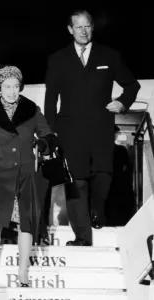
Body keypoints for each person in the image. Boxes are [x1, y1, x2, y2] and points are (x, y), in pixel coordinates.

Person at [44, 9, 140, 246]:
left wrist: (122, 102)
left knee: (102, 174)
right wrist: (52, 130)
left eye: (87, 26)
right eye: (79, 27)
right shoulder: (57, 59)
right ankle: (82, 236)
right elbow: (50, 100)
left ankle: (98, 208)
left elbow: (132, 86)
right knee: (76, 182)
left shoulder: (110, 56)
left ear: (92, 27)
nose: (84, 31)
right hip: (70, 131)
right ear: (70, 29)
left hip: (101, 127)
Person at [0, 65, 57, 286]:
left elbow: (47, 133)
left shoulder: (31, 109)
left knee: (27, 221)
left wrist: (44, 142)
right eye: (7, 86)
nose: (12, 91)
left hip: (27, 173)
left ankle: (23, 269)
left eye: (16, 86)